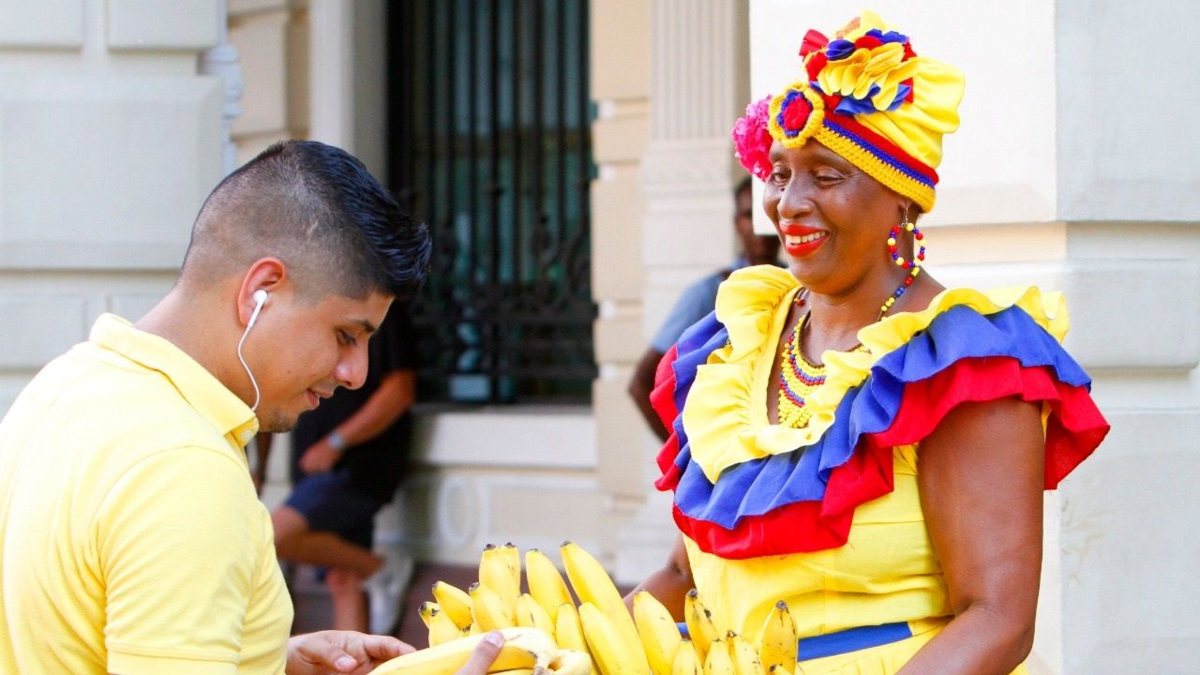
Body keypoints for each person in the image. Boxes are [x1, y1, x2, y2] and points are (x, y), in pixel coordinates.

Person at [631, 13, 1109, 675]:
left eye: (826, 176)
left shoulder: (959, 361)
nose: (788, 203)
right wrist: (557, 649)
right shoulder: (733, 345)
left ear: (902, 200)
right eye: (780, 172)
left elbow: (996, 620)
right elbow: (683, 577)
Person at [0, 140, 500, 675]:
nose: (355, 372)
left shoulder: (63, 383)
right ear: (261, 290)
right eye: (345, 334)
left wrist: (265, 659)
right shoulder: (184, 468)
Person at [260, 300, 417, 634]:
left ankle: (382, 568)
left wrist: (336, 442)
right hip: (313, 467)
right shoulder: (304, 307)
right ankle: (353, 654)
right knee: (343, 579)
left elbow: (399, 391)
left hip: (356, 466)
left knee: (271, 536)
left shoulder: (381, 307)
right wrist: (259, 468)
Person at [629, 177, 782, 440]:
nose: (761, 228)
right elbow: (641, 384)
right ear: (737, 224)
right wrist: (683, 456)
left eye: (769, 214)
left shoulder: (804, 287)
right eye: (750, 216)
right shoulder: (710, 292)